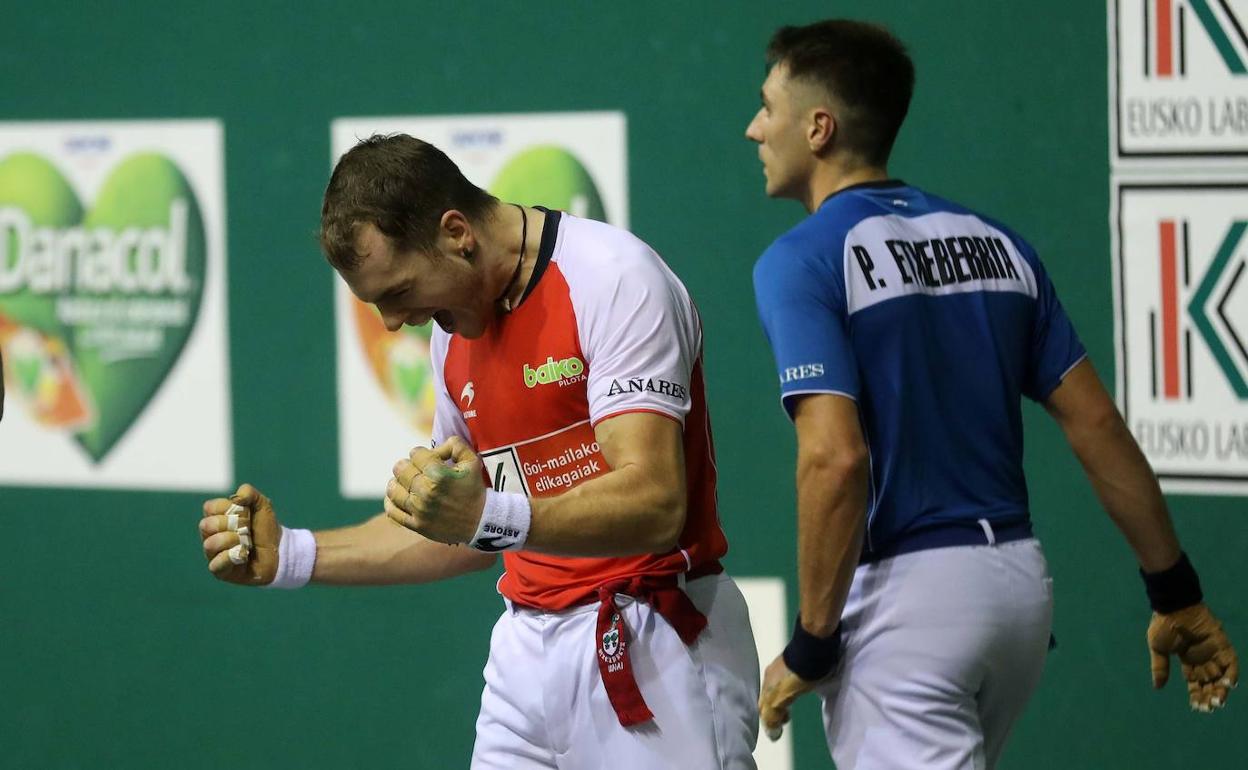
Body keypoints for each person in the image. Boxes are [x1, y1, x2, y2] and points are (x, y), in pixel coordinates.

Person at [744, 19, 1238, 769]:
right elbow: (1096, 423)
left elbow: (835, 460)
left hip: (908, 607)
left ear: (818, 127)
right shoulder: (999, 244)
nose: (755, 128)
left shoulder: (803, 259)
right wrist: (1175, 589)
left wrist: (813, 643)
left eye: (767, 107)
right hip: (1015, 590)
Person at [197, 134, 760, 769]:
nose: (390, 323)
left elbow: (655, 502)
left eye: (398, 291)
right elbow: (459, 525)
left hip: (655, 643)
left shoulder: (613, 280)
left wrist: (489, 517)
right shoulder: (450, 332)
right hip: (525, 656)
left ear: (456, 232)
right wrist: (292, 556)